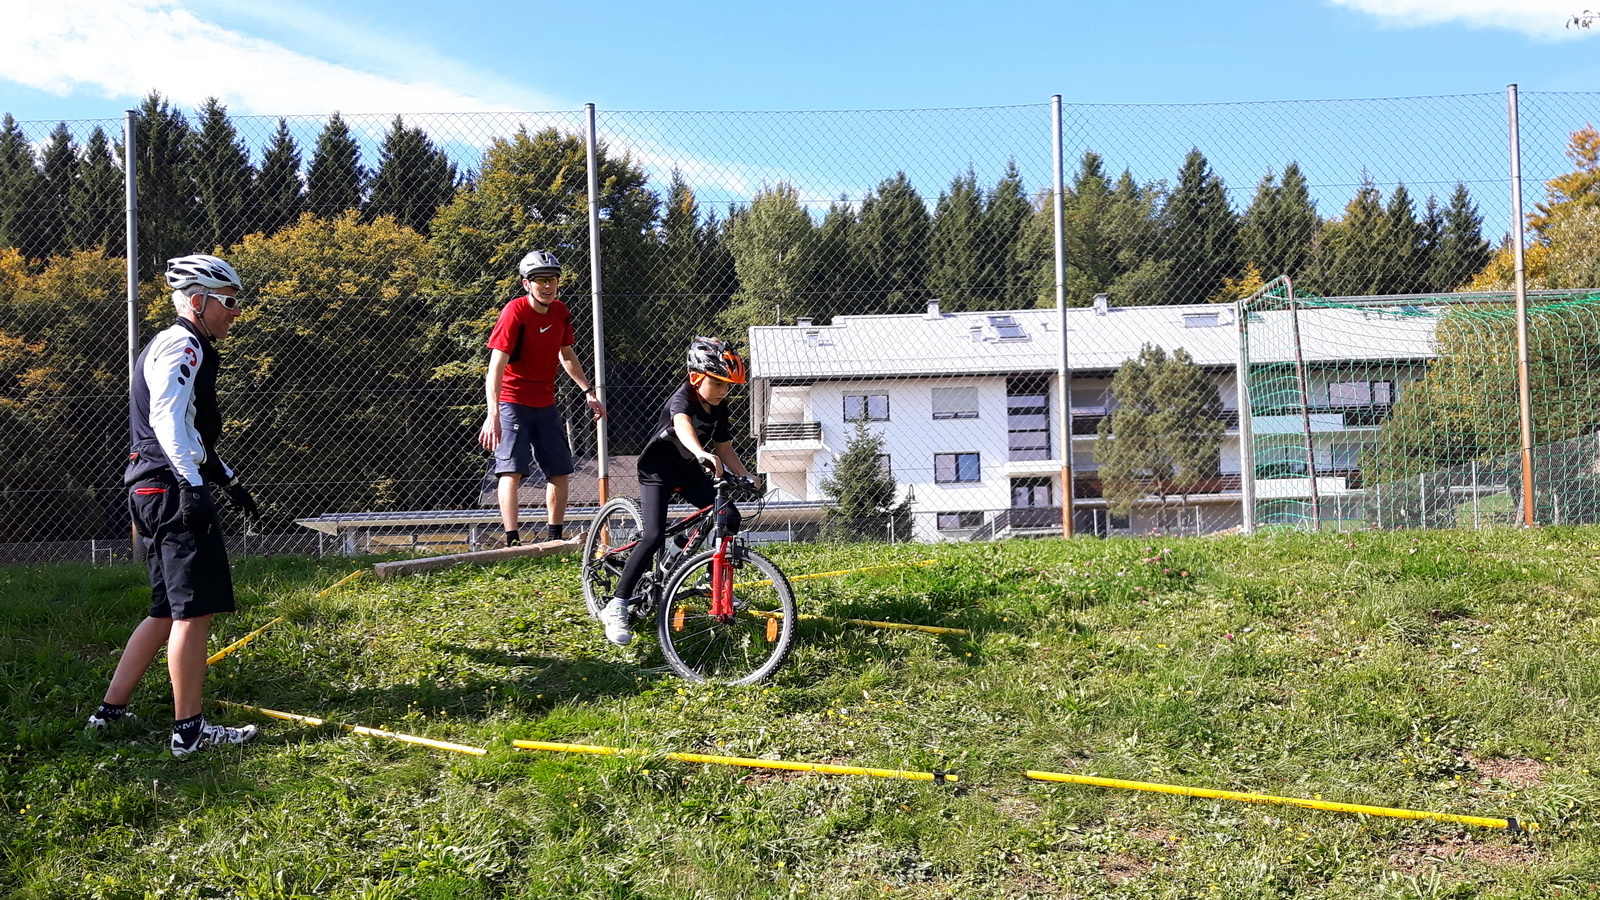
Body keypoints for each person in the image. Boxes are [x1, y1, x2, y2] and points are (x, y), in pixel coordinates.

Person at [87, 254, 260, 757]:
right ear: (198, 301)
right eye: (229, 302)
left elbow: (188, 429)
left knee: (165, 610)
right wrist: (193, 488)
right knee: (194, 612)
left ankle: (110, 711)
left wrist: (225, 479)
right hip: (169, 489)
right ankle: (190, 732)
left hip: (151, 486)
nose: (235, 313)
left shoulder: (182, 343)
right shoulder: (184, 344)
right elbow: (167, 418)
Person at [599, 337, 758, 646]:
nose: (725, 391)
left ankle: (708, 577)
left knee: (728, 516)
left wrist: (745, 474)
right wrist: (700, 452)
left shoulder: (718, 407)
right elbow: (682, 425)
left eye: (728, 385)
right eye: (719, 383)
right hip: (657, 471)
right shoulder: (682, 398)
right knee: (653, 535)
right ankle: (616, 605)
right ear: (697, 377)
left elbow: (724, 447)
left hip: (688, 471)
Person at [478, 250, 605, 546]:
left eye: (552, 280)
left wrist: (588, 392)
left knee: (560, 470)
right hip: (512, 402)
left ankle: (554, 539)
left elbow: (567, 354)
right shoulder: (515, 312)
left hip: (545, 404)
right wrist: (493, 413)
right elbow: (495, 367)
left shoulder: (560, 311)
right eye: (540, 280)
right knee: (511, 470)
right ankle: (513, 541)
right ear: (526, 284)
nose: (547, 286)